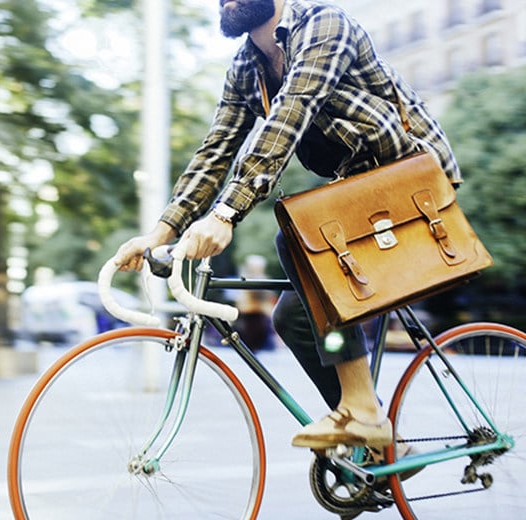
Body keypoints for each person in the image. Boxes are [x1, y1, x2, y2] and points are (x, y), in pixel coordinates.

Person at [113, 0, 461, 451]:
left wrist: (225, 214)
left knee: (294, 236)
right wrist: (160, 233)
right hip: (355, 192)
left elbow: (290, 116)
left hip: (413, 179)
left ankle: (365, 413)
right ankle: (374, 441)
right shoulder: (246, 66)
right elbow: (216, 150)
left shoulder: (324, 24)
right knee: (295, 316)